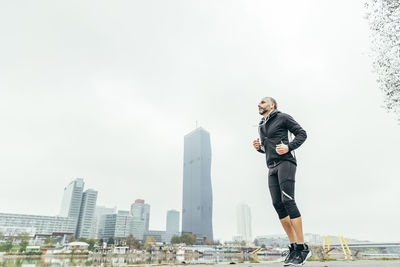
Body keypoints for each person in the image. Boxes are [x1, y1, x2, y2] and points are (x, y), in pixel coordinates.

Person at [253, 97, 312, 266]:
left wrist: (289, 147)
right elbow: (267, 148)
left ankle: (302, 248)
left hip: (286, 162)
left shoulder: (283, 117)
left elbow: (302, 134)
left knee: (288, 200)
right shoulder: (261, 125)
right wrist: (260, 148)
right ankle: (294, 247)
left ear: (272, 105)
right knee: (277, 204)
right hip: (271, 167)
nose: (259, 104)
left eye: (263, 102)